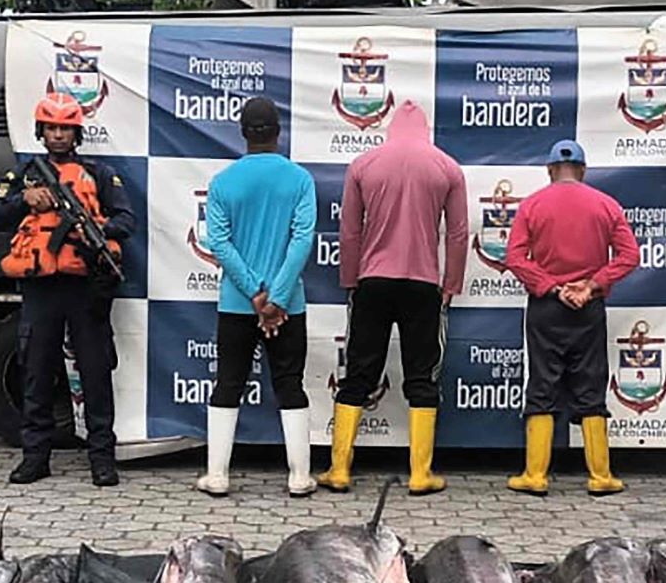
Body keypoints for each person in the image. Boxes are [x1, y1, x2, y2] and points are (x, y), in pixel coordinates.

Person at [321, 104, 469, 495]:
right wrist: (451, 284)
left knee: (358, 372)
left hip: (372, 281)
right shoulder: (448, 168)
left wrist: (349, 279)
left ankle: (339, 469)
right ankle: (421, 474)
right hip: (423, 285)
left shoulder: (363, 164)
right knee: (423, 376)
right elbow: (457, 233)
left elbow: (350, 231)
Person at [0, 91, 134, 488]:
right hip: (41, 290)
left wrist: (95, 231)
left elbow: (127, 219)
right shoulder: (24, 174)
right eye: (51, 128)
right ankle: (35, 457)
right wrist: (25, 200)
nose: (57, 135)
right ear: (41, 131)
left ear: (76, 133)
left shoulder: (100, 174)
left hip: (86, 286)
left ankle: (102, 458)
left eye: (65, 129)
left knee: (95, 373)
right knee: (35, 371)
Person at [502, 139, 640, 496]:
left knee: (542, 384)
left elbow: (515, 259)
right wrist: (592, 285)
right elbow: (629, 256)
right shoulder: (606, 205)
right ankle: (600, 476)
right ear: (583, 170)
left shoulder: (532, 205)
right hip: (589, 307)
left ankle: (534, 476)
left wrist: (553, 287)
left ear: (550, 170)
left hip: (546, 307)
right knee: (591, 386)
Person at [198, 96, 320, 497]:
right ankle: (300, 476)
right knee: (290, 383)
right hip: (288, 306)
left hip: (237, 302)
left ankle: (217, 475)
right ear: (278, 131)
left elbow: (219, 241)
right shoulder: (300, 180)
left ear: (243, 132)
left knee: (228, 382)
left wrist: (253, 292)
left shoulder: (222, 182)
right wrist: (278, 298)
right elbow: (302, 242)